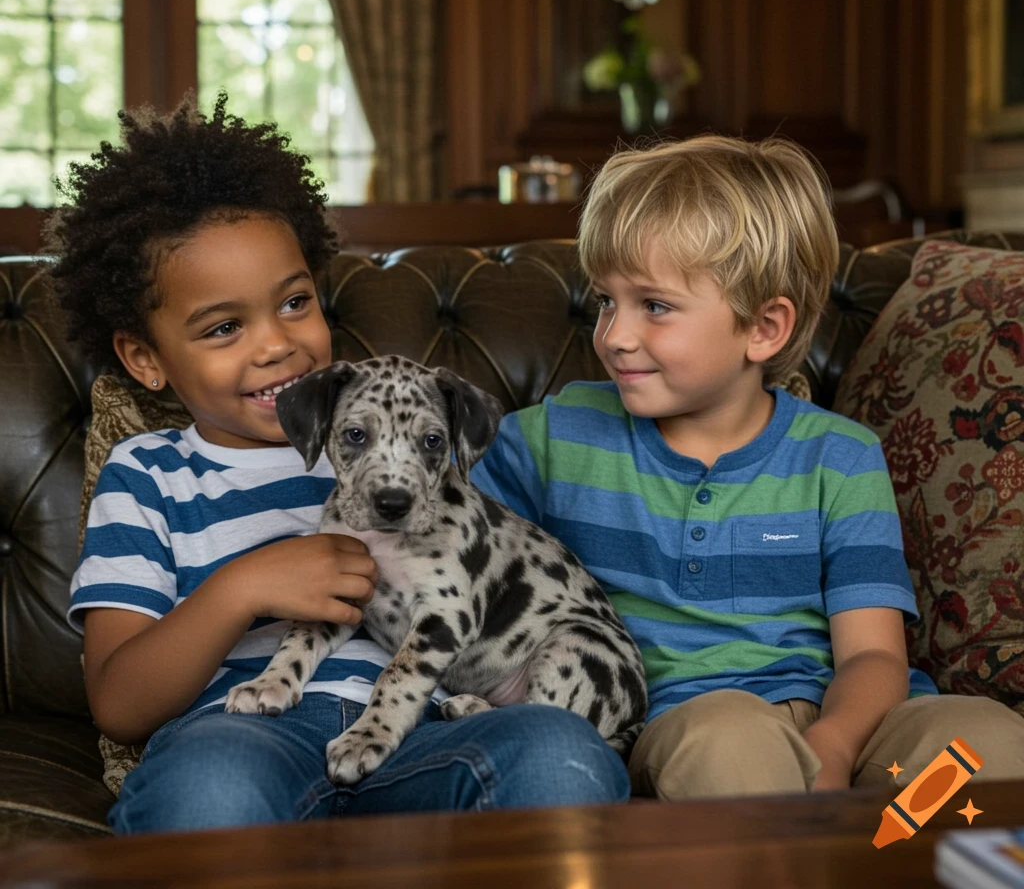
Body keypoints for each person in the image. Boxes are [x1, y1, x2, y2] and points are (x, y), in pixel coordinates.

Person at [50, 93, 628, 834]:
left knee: (559, 754)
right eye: (225, 326)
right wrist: (244, 587)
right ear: (143, 357)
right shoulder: (148, 474)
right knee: (207, 783)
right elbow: (120, 702)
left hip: (431, 732)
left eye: (294, 303)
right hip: (249, 735)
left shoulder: (393, 439)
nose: (275, 344)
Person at [472, 134, 1024, 800]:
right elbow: (435, 520)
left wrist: (837, 744)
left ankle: (899, 860)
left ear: (764, 328)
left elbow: (874, 655)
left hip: (855, 718)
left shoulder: (841, 457)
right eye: (605, 301)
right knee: (733, 744)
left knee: (987, 742)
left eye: (654, 305)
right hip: (686, 720)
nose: (614, 335)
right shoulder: (559, 436)